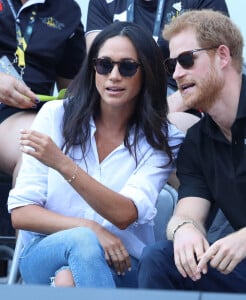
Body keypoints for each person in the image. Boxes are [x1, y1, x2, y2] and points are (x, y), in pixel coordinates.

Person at [7, 21, 184, 287]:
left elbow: (126, 214)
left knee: (68, 280)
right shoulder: (55, 116)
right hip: (45, 253)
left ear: (146, 72)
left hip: (125, 263)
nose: (114, 76)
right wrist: (89, 229)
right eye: (104, 65)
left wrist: (63, 164)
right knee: (82, 242)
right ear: (93, 70)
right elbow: (21, 213)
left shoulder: (163, 137)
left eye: (127, 67)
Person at [138, 9, 246, 295]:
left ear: (222, 56)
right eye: (171, 64)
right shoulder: (198, 140)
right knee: (160, 259)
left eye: (186, 60)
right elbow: (187, 214)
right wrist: (184, 230)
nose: (176, 73)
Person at [85, 0, 229, 115]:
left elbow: (218, 65)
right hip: (121, 98)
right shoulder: (103, 2)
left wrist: (162, 111)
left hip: (181, 101)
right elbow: (99, 63)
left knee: (173, 127)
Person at [0, 0, 86, 185]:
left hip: (22, 114)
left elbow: (72, 89)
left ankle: (26, 213)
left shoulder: (67, 10)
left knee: (36, 145)